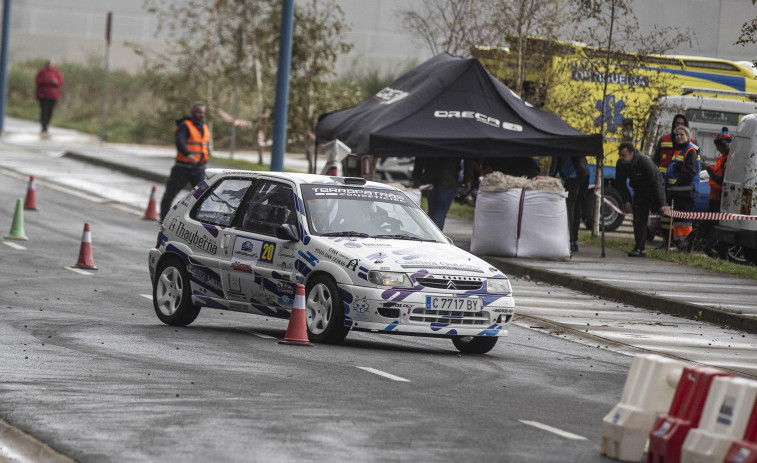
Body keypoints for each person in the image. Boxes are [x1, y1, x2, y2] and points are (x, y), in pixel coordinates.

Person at [613, 142, 669, 257]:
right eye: (620, 155)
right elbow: (620, 184)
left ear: (631, 154)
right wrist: (626, 201)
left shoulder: (645, 162)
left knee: (662, 217)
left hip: (653, 190)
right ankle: (640, 247)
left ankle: (669, 244)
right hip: (639, 191)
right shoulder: (621, 164)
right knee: (638, 220)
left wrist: (662, 203)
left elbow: (656, 182)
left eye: (624, 155)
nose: (621, 158)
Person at [160, 102, 211, 221]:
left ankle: (198, 221)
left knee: (203, 195)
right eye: (199, 112)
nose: (202, 115)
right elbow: (180, 142)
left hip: (198, 167)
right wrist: (188, 154)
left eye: (203, 112)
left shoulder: (204, 127)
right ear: (192, 112)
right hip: (182, 167)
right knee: (170, 194)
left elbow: (203, 146)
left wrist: (204, 161)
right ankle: (164, 219)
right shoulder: (185, 125)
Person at [693, 127, 731, 252]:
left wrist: (709, 167)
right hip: (715, 196)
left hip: (719, 197)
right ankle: (706, 246)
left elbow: (720, 178)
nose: (717, 150)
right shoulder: (725, 158)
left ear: (723, 145)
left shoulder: (728, 159)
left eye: (718, 147)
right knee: (708, 224)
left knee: (707, 224)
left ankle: (696, 244)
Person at [664, 125, 700, 248]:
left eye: (681, 135)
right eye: (677, 135)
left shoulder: (690, 150)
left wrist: (677, 182)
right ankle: (678, 243)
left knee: (684, 221)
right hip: (678, 190)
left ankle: (685, 245)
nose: (679, 137)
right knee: (678, 220)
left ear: (688, 136)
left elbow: (691, 171)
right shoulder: (679, 150)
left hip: (686, 190)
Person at [411, 156, 467, 230]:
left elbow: (420, 156)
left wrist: (416, 176)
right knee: (440, 212)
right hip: (449, 178)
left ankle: (429, 233)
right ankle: (435, 236)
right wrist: (468, 179)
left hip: (431, 176)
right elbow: (467, 159)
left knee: (432, 211)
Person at [549, 155, 590, 253]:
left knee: (569, 208)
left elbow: (555, 163)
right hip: (585, 174)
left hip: (573, 175)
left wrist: (550, 177)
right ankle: (575, 241)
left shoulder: (559, 144)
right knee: (577, 207)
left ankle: (570, 240)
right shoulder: (574, 141)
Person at [34, 59, 64, 134]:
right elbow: (37, 80)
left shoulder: (57, 73)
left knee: (50, 111)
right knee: (44, 110)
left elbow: (61, 82)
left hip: (53, 96)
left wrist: (55, 82)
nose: (50, 65)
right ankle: (43, 126)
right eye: (49, 64)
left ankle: (47, 124)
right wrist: (47, 81)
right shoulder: (42, 72)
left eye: (52, 64)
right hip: (43, 95)